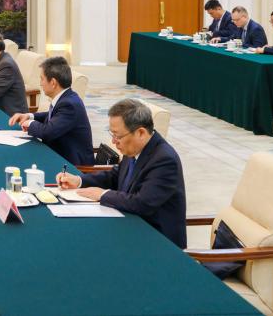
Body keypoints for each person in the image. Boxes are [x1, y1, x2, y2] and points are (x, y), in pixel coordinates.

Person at [56, 99, 186, 248]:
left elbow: (142, 203)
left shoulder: (164, 160)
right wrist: (79, 180)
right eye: (112, 134)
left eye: (118, 136)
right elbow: (115, 176)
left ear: (141, 133)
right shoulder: (135, 147)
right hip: (130, 224)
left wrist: (102, 194)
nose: (113, 141)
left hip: (157, 241)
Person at [8, 56, 93, 166]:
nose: (40, 83)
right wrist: (29, 116)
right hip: (59, 155)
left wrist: (29, 123)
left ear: (53, 82)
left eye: (42, 79)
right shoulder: (66, 98)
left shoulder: (70, 105)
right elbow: (53, 116)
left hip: (72, 166)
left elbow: (47, 132)